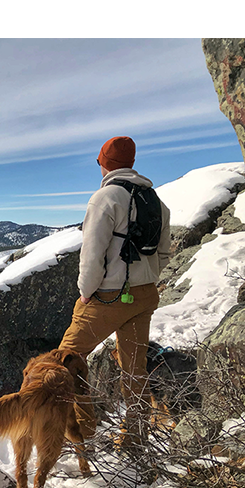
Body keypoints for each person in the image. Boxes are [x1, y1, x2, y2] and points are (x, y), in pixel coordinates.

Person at [58, 136, 172, 442]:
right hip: (145, 294)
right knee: (134, 368)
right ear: (131, 162)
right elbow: (163, 254)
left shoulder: (105, 198)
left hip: (108, 296)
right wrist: (143, 279)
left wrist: (86, 290)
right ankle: (134, 435)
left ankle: (82, 432)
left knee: (64, 360)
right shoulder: (157, 202)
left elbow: (92, 254)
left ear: (104, 163)